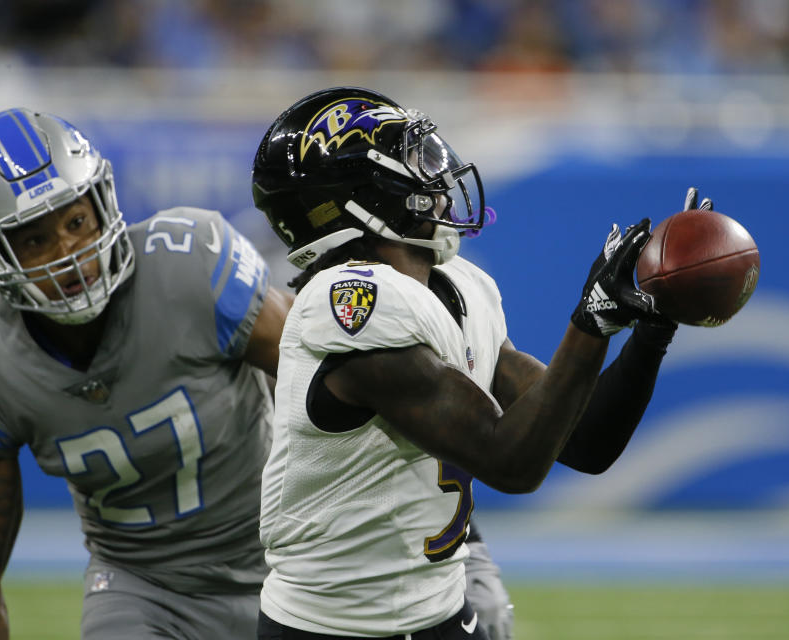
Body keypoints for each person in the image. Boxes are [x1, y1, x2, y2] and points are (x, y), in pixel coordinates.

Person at [0, 107, 512, 639]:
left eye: (76, 222)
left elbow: (378, 398)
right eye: (34, 239)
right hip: (145, 587)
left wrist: (464, 545)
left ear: (102, 203)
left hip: (293, 564)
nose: (69, 251)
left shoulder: (189, 266)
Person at [250, 86, 699, 639]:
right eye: (414, 162)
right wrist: (590, 325)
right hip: (331, 628)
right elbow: (510, 462)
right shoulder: (349, 306)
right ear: (366, 199)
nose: (439, 177)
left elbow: (585, 440)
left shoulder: (458, 287)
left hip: (437, 610)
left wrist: (652, 330)